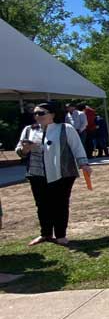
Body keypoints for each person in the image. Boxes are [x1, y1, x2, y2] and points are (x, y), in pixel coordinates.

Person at [15, 101, 91, 246]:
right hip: (36, 173)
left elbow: (77, 147)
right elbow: (20, 151)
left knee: (60, 204)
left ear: (52, 114)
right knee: (42, 205)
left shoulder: (65, 128)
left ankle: (61, 235)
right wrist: (25, 149)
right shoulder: (28, 130)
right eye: (35, 113)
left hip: (63, 173)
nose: (37, 116)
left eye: (41, 113)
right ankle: (46, 234)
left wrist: (84, 163)